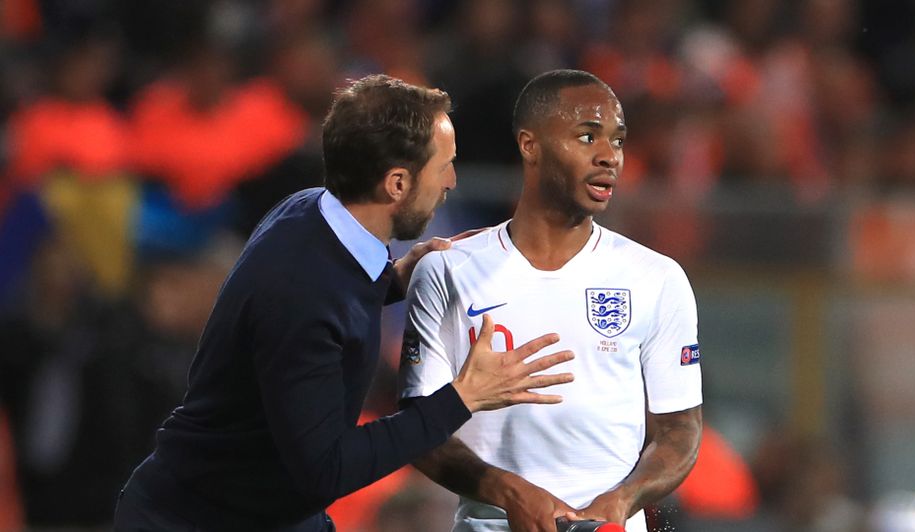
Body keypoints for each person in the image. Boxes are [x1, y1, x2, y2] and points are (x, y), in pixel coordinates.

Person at [114, 74, 577, 532]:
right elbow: (325, 470)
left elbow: (333, 295)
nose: (453, 181)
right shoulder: (303, 295)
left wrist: (396, 279)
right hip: (197, 519)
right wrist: (462, 397)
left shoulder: (309, 210)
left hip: (269, 513)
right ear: (397, 183)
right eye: (444, 166)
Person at [398, 69, 704, 532]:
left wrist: (622, 499)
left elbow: (679, 431)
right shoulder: (448, 271)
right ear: (530, 145)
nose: (610, 157)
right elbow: (418, 429)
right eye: (587, 136)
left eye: (618, 141)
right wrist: (509, 493)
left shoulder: (656, 278)